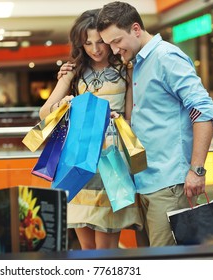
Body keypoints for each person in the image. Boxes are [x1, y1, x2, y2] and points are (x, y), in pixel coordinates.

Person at [96, 1, 213, 247]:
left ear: (136, 29)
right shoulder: (138, 64)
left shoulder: (166, 57)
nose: (114, 49)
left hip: (169, 183)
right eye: (109, 44)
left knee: (166, 266)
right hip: (144, 181)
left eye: (117, 41)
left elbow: (203, 110)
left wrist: (197, 170)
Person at [39, 9, 144, 250]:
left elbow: (130, 118)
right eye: (87, 43)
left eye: (100, 42)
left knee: (107, 247)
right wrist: (65, 104)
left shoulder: (125, 68)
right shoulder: (72, 71)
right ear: (80, 44)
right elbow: (44, 114)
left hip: (111, 161)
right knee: (86, 248)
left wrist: (117, 121)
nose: (95, 49)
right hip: (78, 159)